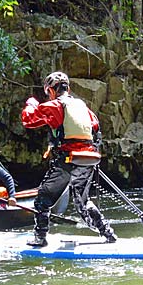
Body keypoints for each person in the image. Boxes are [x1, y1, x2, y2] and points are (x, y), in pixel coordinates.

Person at [21, 71, 116, 247]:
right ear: (68, 88)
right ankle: (108, 233)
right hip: (88, 159)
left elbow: (28, 120)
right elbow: (95, 130)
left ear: (50, 90)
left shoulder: (54, 105)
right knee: (83, 201)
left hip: (68, 160)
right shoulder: (83, 108)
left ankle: (40, 238)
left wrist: (31, 103)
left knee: (43, 199)